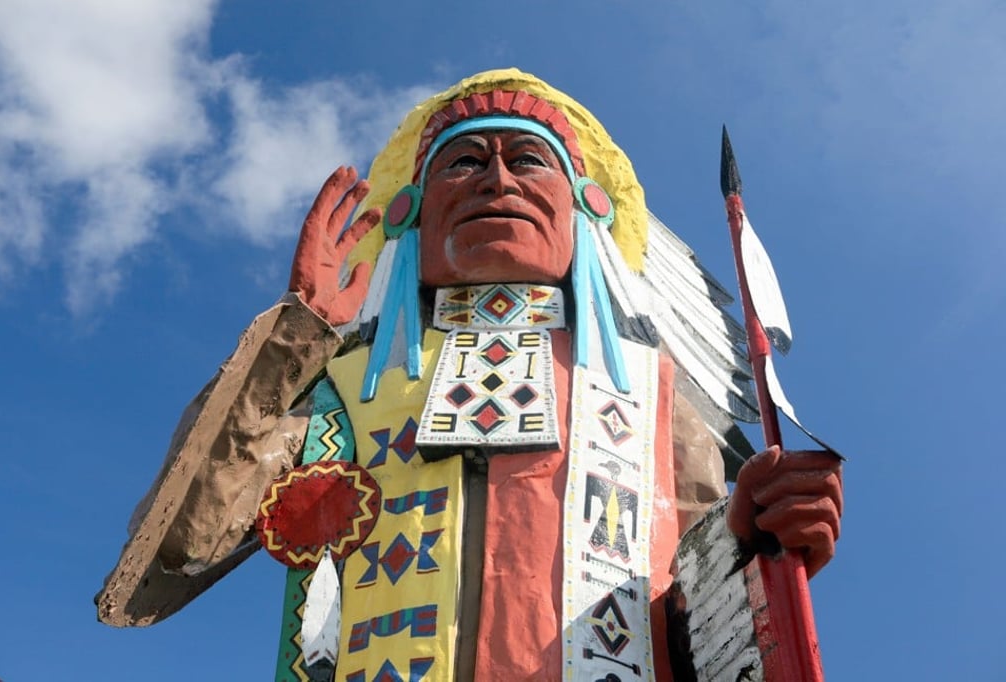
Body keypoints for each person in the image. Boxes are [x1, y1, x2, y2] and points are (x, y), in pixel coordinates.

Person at [96, 69, 842, 681]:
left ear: (585, 209)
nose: (496, 179)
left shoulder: (654, 397)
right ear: (412, 218)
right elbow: (178, 547)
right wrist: (296, 338)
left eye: (527, 159)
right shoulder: (352, 391)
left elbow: (705, 629)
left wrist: (751, 538)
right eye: (464, 161)